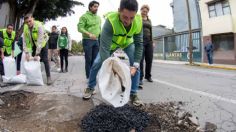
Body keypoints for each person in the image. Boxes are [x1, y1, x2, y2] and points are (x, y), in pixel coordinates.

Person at [83, 0, 143, 106]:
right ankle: (90, 87)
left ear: (135, 14)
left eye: (131, 18)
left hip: (128, 43)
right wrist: (109, 69)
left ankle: (133, 94)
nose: (128, 21)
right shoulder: (110, 21)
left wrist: (135, 65)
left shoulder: (138, 21)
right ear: (119, 11)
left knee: (136, 65)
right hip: (111, 44)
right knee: (97, 63)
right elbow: (104, 48)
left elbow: (139, 44)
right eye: (125, 17)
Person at [23, 14, 52, 85]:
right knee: (33, 60)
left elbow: (40, 41)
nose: (28, 23)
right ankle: (35, 77)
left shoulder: (39, 26)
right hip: (34, 44)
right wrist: (26, 53)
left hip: (43, 43)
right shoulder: (26, 27)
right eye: (27, 22)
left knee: (45, 59)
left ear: (33, 19)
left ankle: (48, 77)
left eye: (30, 21)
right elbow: (25, 41)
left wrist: (37, 54)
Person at [78, 0, 101, 79]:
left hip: (96, 41)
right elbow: (80, 28)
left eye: (97, 7)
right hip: (87, 40)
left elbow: (99, 29)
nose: (96, 8)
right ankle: (89, 77)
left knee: (96, 60)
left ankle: (93, 76)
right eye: (95, 6)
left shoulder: (98, 18)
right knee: (89, 59)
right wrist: (89, 34)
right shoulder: (84, 16)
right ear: (90, 7)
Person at [139, 5, 154, 89]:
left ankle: (148, 76)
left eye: (146, 11)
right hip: (141, 41)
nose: (145, 12)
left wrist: (152, 41)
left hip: (149, 41)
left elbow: (151, 30)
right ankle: (140, 77)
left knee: (149, 59)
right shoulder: (137, 18)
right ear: (141, 10)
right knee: (140, 60)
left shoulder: (149, 20)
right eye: (143, 11)